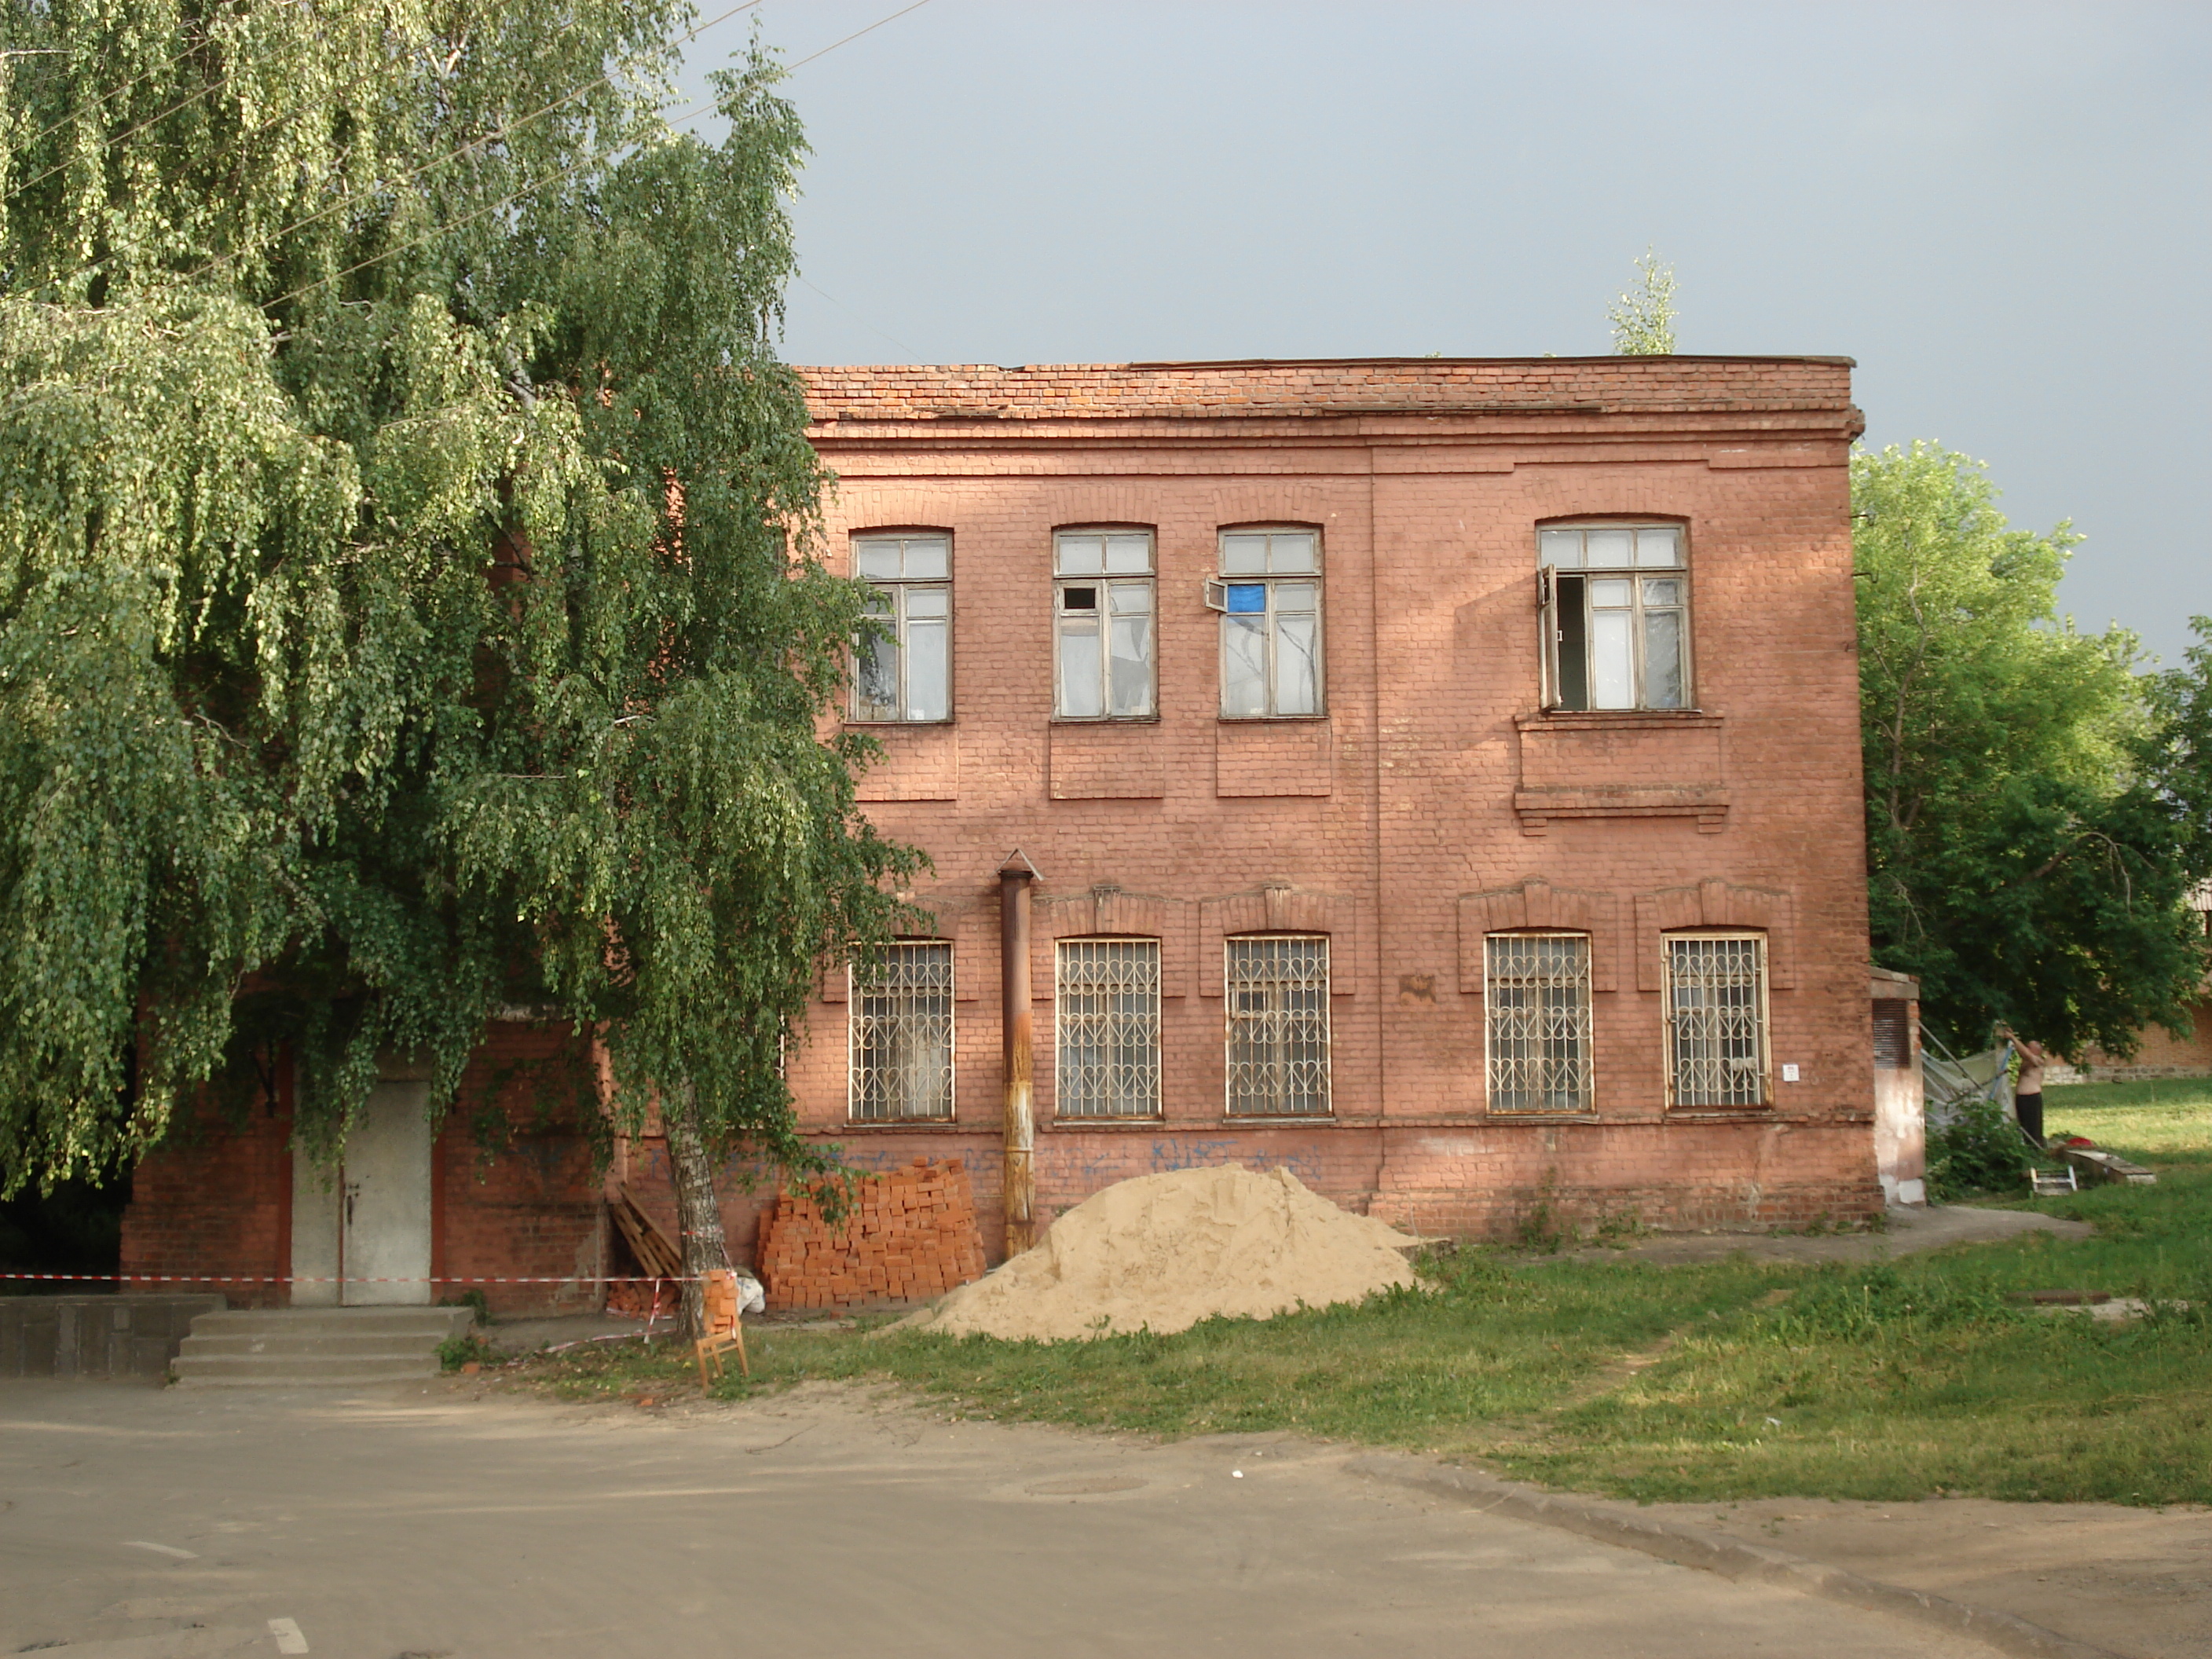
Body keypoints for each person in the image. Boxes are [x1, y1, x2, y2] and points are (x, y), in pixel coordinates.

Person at [1997, 1027, 2049, 1147]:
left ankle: (2036, 1149)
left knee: (2033, 1128)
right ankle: (2027, 1148)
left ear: (2036, 1050)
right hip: (2022, 1098)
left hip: (2032, 1097)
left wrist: (2012, 1038)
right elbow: (2022, 1053)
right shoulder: (2025, 1063)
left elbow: (2026, 1054)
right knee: (2023, 1126)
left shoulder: (2038, 1061)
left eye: (2029, 1047)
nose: (2026, 1048)